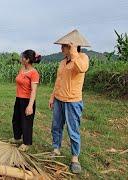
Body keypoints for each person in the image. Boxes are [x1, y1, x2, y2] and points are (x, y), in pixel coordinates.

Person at [49, 29, 90, 174]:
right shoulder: (62, 63)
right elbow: (58, 81)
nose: (61, 48)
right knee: (56, 126)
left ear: (72, 47)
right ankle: (56, 148)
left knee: (73, 130)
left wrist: (74, 53)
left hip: (73, 101)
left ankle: (74, 158)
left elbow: (82, 69)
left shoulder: (82, 58)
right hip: (59, 99)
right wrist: (53, 96)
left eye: (64, 46)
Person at [10, 49, 41, 151]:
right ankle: (17, 138)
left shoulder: (34, 73)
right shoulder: (22, 69)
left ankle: (26, 143)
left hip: (27, 100)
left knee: (26, 122)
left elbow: (34, 90)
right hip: (19, 98)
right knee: (16, 119)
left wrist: (30, 105)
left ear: (27, 60)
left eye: (23, 57)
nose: (21, 58)